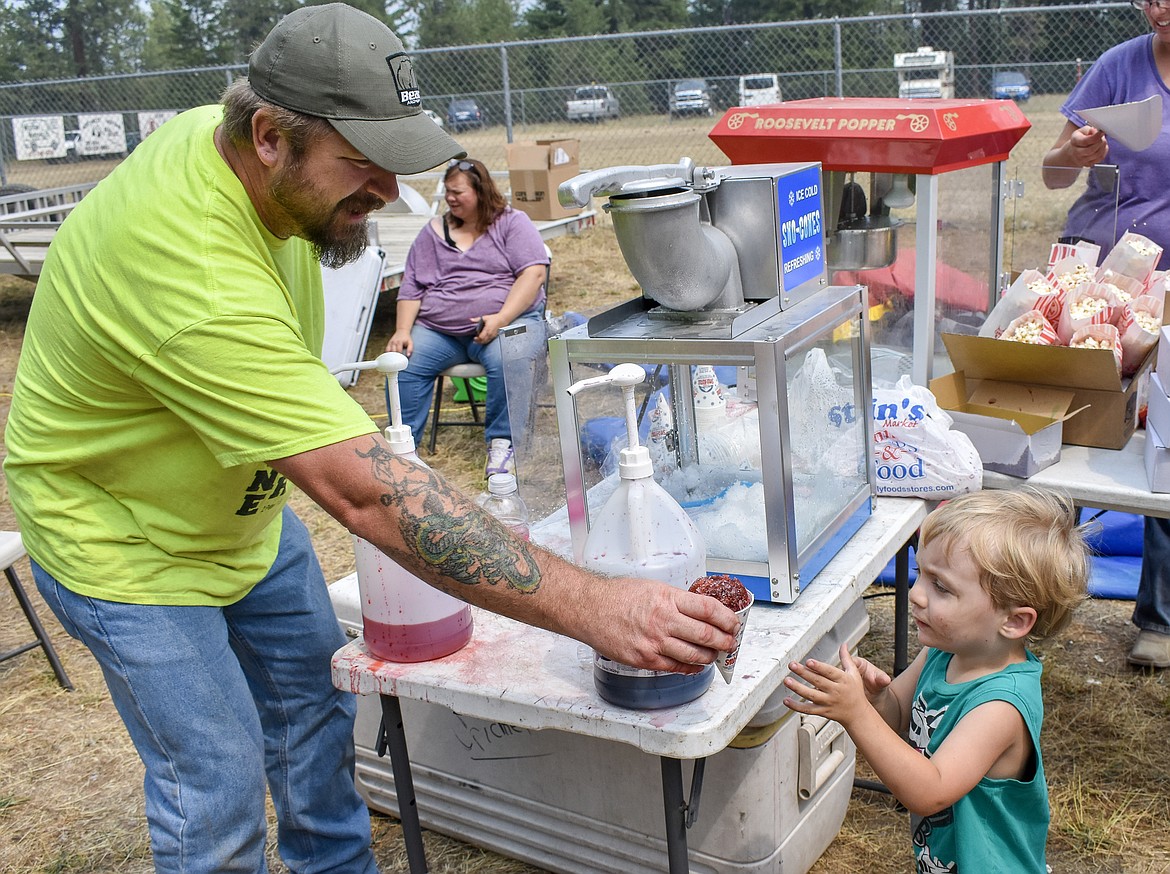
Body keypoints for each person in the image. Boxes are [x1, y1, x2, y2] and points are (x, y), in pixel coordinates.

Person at [2, 5, 740, 872]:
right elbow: (367, 494)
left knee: (318, 715)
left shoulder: (236, 139)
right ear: (270, 135)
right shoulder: (191, 275)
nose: (390, 194)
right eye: (363, 163)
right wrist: (595, 607)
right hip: (123, 537)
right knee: (217, 781)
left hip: (236, 510)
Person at [783, 487, 1089, 873]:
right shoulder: (946, 652)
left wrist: (856, 715)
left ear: (1013, 621)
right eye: (919, 574)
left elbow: (930, 791)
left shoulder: (1000, 705)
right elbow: (898, 717)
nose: (915, 594)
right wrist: (876, 701)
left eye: (941, 587)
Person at [1041, 0, 1170, 669]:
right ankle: (1034, 592)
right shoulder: (1118, 67)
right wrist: (1073, 150)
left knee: (1165, 443)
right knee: (1063, 431)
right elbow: (1053, 174)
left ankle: (1160, 619)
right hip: (1095, 278)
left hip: (1167, 294)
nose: (1159, 8)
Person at [385, 157, 548, 479]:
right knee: (401, 363)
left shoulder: (511, 223)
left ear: (481, 190)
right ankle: (402, 452)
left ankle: (503, 444)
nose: (450, 198)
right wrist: (403, 330)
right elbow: (413, 284)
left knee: (510, 358)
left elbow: (534, 274)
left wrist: (500, 318)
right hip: (440, 331)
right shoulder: (433, 232)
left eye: (458, 192)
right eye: (447, 191)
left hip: (506, 323)